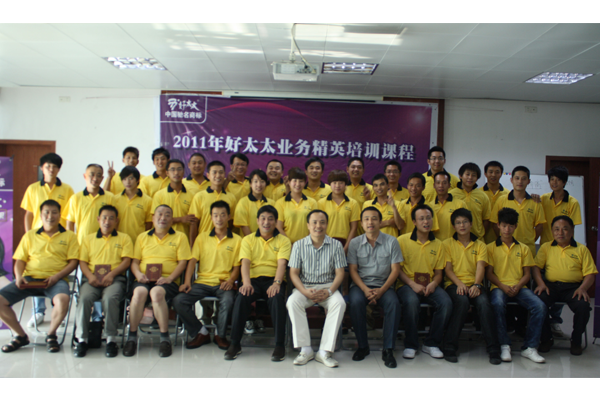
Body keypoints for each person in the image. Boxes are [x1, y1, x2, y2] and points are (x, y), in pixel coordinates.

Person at [0, 200, 79, 353]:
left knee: (63, 299)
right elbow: (20, 260)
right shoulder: (30, 235)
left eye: (54, 212)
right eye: (46, 213)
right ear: (40, 215)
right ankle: (20, 335)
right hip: (29, 279)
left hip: (56, 280)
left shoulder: (70, 236)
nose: (50, 216)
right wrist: (18, 276)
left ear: (60, 215)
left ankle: (51, 335)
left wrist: (57, 276)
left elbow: (73, 262)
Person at [123, 205, 191, 358]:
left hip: (167, 280)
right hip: (144, 279)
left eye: (167, 215)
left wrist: (170, 278)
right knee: (139, 292)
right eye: (159, 214)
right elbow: (135, 262)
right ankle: (132, 337)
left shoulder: (180, 237)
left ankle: (164, 338)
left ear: (172, 220)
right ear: (153, 218)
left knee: (156, 293)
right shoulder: (142, 237)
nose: (163, 218)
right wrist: (138, 274)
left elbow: (182, 263)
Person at [224, 205, 291, 362]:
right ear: (257, 221)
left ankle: (279, 345)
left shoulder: (284, 240)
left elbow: (282, 263)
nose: (266, 222)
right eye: (263, 219)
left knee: (277, 299)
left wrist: (277, 283)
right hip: (252, 280)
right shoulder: (248, 239)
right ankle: (235, 344)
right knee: (241, 297)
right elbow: (245, 262)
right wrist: (246, 283)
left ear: (276, 222)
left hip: (273, 279)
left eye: (270, 219)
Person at [173, 201, 241, 351]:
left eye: (222, 215)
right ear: (211, 217)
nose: (219, 219)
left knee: (228, 300)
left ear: (229, 217)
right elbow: (192, 261)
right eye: (215, 215)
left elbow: (237, 266)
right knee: (179, 300)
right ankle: (200, 332)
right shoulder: (202, 237)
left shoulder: (237, 240)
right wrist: (187, 282)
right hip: (202, 282)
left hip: (223, 282)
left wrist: (231, 280)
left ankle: (220, 335)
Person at [486, 207, 546, 363]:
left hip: (520, 287)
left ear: (516, 227)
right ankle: (504, 344)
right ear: (498, 225)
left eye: (511, 226)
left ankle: (530, 347)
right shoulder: (490, 248)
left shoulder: (524, 248)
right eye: (504, 225)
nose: (507, 229)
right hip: (499, 287)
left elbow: (527, 274)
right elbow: (489, 274)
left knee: (539, 306)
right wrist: (502, 286)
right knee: (497, 304)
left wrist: (518, 286)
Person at [20, 153, 74, 328]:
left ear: (59, 169)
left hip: (59, 238)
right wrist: (29, 235)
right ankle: (38, 312)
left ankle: (59, 310)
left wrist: (68, 236)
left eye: (55, 166)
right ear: (42, 168)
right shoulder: (32, 188)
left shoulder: (67, 190)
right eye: (48, 166)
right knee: (36, 272)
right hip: (37, 239)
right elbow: (28, 214)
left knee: (56, 273)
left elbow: (69, 216)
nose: (51, 169)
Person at [287, 210, 346, 368]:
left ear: (327, 225)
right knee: (292, 302)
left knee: (339, 303)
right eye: (314, 222)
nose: (318, 226)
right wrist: (304, 291)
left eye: (322, 222)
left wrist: (329, 291)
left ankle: (324, 351)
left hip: (328, 287)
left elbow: (340, 273)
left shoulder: (336, 245)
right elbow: (293, 273)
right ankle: (305, 349)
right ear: (308, 225)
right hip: (305, 288)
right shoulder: (298, 245)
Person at [443, 208, 501, 365]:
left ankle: (493, 349)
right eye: (458, 223)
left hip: (475, 284)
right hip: (454, 284)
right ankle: (449, 346)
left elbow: (481, 267)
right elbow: (448, 270)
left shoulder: (481, 245)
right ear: (453, 226)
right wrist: (460, 284)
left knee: (484, 304)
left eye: (465, 222)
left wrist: (476, 284)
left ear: (471, 224)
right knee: (462, 302)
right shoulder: (447, 244)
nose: (462, 225)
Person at [533, 216, 598, 356]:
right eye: (556, 229)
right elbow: (536, 268)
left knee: (583, 306)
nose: (560, 233)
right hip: (551, 286)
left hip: (573, 288)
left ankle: (576, 341)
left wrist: (582, 288)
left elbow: (590, 274)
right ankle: (546, 339)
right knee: (538, 303)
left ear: (572, 230)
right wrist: (541, 284)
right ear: (552, 231)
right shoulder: (546, 247)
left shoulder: (582, 249)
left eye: (565, 229)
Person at [74, 205, 133, 358]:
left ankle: (111, 339)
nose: (107, 221)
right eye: (104, 218)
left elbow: (126, 261)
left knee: (110, 298)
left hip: (115, 279)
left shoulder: (124, 238)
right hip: (91, 279)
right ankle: (82, 339)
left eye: (111, 218)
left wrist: (111, 275)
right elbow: (82, 262)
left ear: (116, 221)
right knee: (84, 298)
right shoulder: (88, 239)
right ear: (98, 219)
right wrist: (90, 276)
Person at [348, 207, 402, 368]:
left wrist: (382, 290)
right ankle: (362, 346)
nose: (370, 222)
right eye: (366, 219)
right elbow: (352, 270)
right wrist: (365, 289)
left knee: (393, 303)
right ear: (361, 223)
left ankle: (388, 349)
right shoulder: (355, 243)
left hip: (384, 286)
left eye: (374, 218)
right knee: (356, 302)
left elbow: (395, 270)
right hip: (360, 285)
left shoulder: (392, 241)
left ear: (380, 222)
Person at [396, 204, 451, 360]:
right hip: (407, 284)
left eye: (428, 218)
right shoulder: (402, 240)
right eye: (421, 219)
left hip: (430, 285)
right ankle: (411, 344)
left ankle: (431, 343)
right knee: (411, 302)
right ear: (414, 222)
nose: (426, 222)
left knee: (446, 303)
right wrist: (412, 284)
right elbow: (397, 270)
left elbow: (439, 273)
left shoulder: (439, 244)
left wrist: (434, 284)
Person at [539, 166, 583, 337]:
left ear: (564, 182)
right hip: (546, 248)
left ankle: (554, 320)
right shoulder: (543, 199)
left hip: (564, 248)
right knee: (545, 286)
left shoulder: (573, 203)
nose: (554, 182)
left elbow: (572, 228)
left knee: (562, 284)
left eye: (558, 180)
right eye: (552, 179)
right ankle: (542, 322)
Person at [490, 166, 546, 255]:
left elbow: (539, 226)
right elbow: (494, 224)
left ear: (528, 181)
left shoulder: (535, 202)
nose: (520, 181)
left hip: (528, 249)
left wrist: (530, 240)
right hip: (505, 248)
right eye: (517, 178)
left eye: (524, 179)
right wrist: (504, 238)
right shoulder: (502, 200)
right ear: (511, 180)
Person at [189, 160, 238, 243]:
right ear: (208, 175)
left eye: (221, 172)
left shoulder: (231, 197)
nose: (218, 175)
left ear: (224, 175)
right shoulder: (199, 196)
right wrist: (192, 245)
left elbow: (231, 221)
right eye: (214, 172)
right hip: (204, 242)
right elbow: (194, 223)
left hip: (224, 242)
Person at [66, 163, 115, 244]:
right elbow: (70, 223)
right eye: (92, 175)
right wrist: (71, 243)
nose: (95, 178)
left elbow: (115, 222)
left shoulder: (110, 197)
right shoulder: (75, 198)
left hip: (104, 243)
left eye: (98, 175)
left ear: (102, 178)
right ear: (84, 176)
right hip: (81, 243)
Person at [152, 159, 196, 239]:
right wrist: (180, 219)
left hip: (184, 239)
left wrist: (191, 243)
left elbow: (193, 221)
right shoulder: (159, 195)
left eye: (179, 169)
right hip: (163, 239)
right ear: (167, 173)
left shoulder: (192, 195)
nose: (176, 173)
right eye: (172, 169)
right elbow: (155, 220)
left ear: (184, 172)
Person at [317, 170, 360, 253]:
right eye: (334, 183)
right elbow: (319, 226)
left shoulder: (353, 203)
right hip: (326, 245)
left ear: (345, 184)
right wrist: (326, 245)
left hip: (346, 245)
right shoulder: (321, 203)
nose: (337, 186)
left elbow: (354, 228)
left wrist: (346, 248)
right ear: (330, 184)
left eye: (341, 183)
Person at [275, 167, 318, 244]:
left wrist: (306, 243)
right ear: (289, 182)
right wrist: (288, 244)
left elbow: (314, 226)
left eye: (301, 181)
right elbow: (278, 227)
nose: (298, 184)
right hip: (285, 245)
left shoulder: (312, 202)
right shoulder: (280, 202)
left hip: (307, 244)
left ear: (305, 183)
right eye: (294, 181)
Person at [450, 162, 491, 240]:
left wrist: (480, 234)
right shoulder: (451, 195)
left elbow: (486, 219)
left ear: (477, 178)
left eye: (474, 175)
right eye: (467, 174)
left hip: (477, 240)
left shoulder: (483, 196)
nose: (470, 177)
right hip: (455, 240)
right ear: (461, 176)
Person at [113, 166, 153, 244]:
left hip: (138, 242)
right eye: (124, 179)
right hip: (118, 242)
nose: (128, 182)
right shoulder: (115, 199)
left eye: (131, 178)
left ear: (138, 180)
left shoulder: (148, 201)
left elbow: (149, 224)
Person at [234, 169, 275, 237]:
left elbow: (274, 224)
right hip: (249, 242)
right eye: (255, 181)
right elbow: (243, 226)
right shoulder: (243, 202)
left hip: (268, 241)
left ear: (266, 184)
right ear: (250, 184)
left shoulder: (272, 203)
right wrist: (254, 241)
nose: (259, 185)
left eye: (262, 181)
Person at [431, 171, 467, 241]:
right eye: (438, 183)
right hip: (435, 244)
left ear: (449, 185)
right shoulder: (429, 206)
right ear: (434, 185)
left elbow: (465, 227)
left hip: (454, 244)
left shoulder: (460, 204)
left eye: (444, 183)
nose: (441, 185)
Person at [482, 161, 508, 244]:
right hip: (482, 240)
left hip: (503, 241)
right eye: (490, 172)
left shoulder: (508, 194)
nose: (493, 175)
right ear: (485, 174)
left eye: (497, 172)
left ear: (501, 174)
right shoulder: (478, 193)